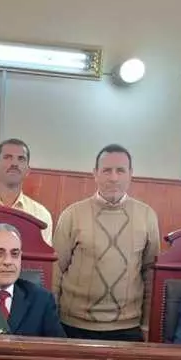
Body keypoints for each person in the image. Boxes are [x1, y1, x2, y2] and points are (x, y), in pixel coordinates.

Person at [53, 143, 160, 342]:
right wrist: (52, 319)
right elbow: (56, 268)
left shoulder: (147, 216)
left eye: (120, 170)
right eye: (107, 170)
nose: (114, 178)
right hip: (73, 324)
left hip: (127, 327)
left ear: (131, 174)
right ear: (95, 174)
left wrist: (147, 324)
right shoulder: (72, 214)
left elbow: (151, 273)